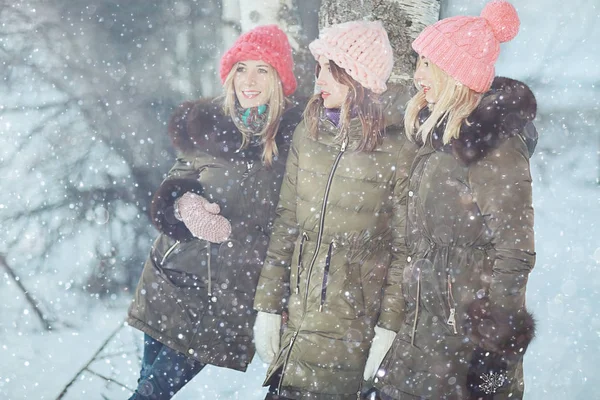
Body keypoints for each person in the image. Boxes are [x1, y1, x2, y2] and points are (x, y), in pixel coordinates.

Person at [367, 1, 538, 399]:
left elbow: (515, 251)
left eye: (427, 64)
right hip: (421, 337)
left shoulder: (496, 150)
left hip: (461, 346)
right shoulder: (436, 137)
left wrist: (495, 350)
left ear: (455, 72)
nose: (419, 75)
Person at [126, 25, 303, 399]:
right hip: (173, 279)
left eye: (261, 69)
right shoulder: (209, 124)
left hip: (230, 295)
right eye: (241, 68)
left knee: (150, 394)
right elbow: (175, 181)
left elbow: (297, 223)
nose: (248, 81)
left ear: (279, 77)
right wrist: (186, 206)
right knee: (149, 391)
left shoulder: (298, 139)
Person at [251, 20, 417, 400]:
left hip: (351, 329)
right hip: (297, 321)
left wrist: (388, 330)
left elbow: (404, 250)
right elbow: (286, 225)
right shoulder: (308, 133)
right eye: (319, 67)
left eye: (332, 68)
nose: (320, 78)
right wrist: (268, 308)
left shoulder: (398, 149)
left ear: (358, 78)